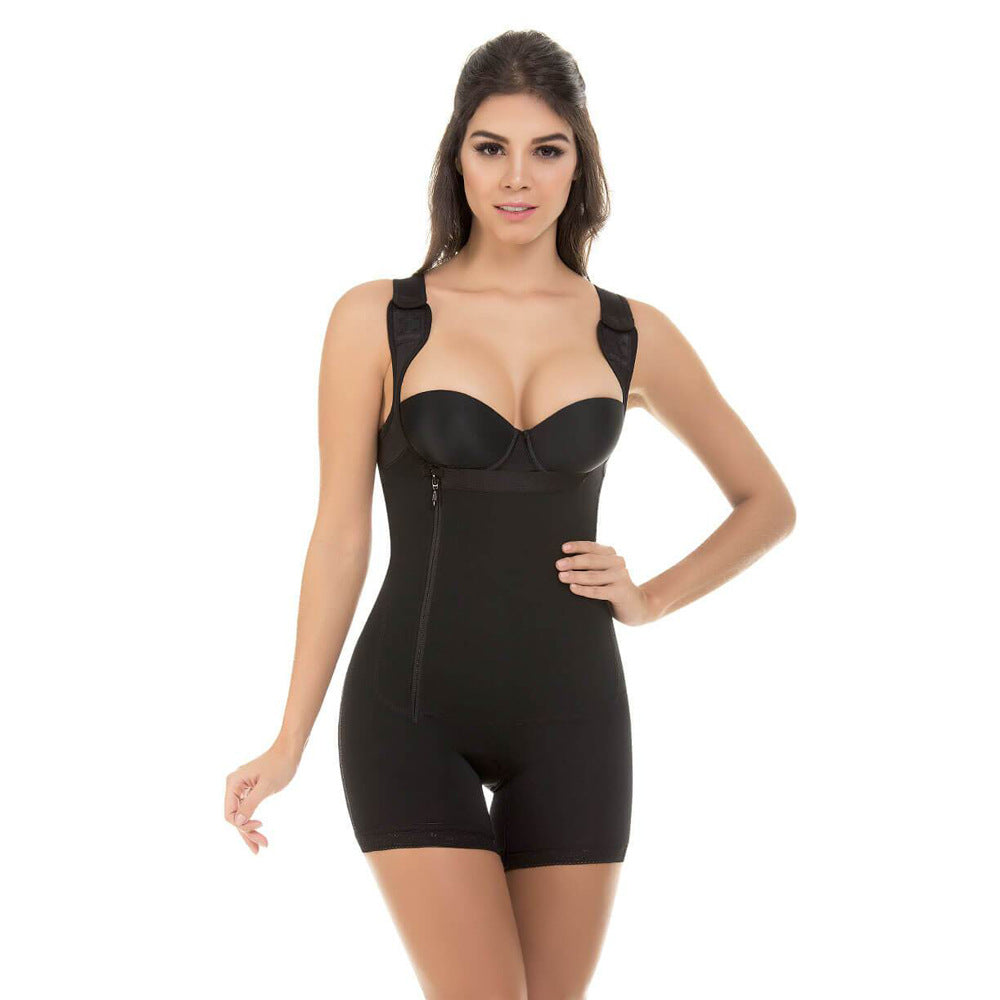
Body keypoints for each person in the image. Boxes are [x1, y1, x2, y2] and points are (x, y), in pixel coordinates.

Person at [224, 29, 795, 998]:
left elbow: (766, 503)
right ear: (458, 157)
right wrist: (289, 739)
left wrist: (650, 597)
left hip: (575, 720)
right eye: (491, 147)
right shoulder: (379, 319)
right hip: (409, 713)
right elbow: (340, 538)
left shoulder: (629, 333)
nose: (517, 177)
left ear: (580, 163)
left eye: (546, 149)